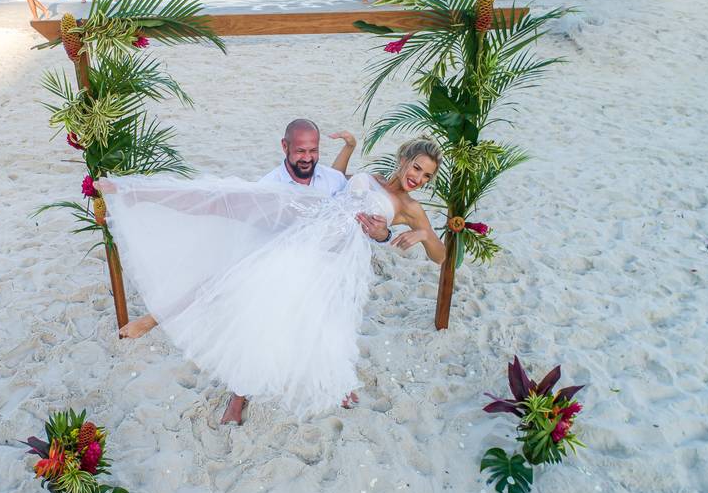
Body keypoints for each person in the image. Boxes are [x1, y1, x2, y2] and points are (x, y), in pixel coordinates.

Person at [94, 125, 445, 425]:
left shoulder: (411, 210)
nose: (418, 178)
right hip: (304, 227)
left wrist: (424, 235)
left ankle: (333, 382)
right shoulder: (369, 178)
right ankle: (135, 194)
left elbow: (442, 258)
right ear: (402, 159)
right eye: (416, 167)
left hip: (331, 260)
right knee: (230, 221)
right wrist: (349, 148)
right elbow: (336, 183)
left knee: (324, 323)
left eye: (427, 175)